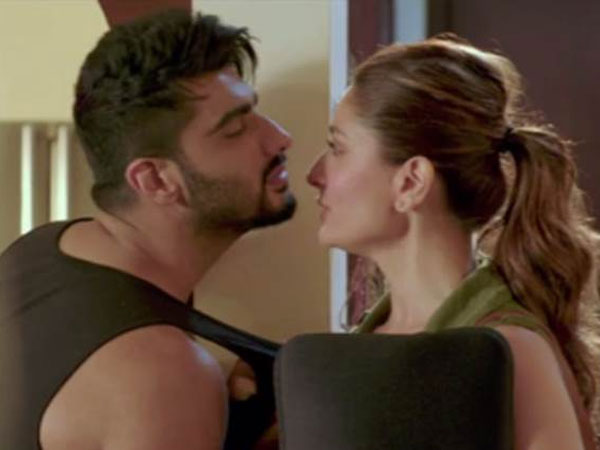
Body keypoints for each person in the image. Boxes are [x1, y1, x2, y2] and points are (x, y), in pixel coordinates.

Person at [0, 9, 294, 450]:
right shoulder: (164, 375)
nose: (280, 137)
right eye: (235, 128)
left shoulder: (40, 250)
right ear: (155, 180)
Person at [307, 33, 599, 450]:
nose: (315, 175)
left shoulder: (509, 352)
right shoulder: (363, 349)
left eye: (337, 148)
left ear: (411, 182)